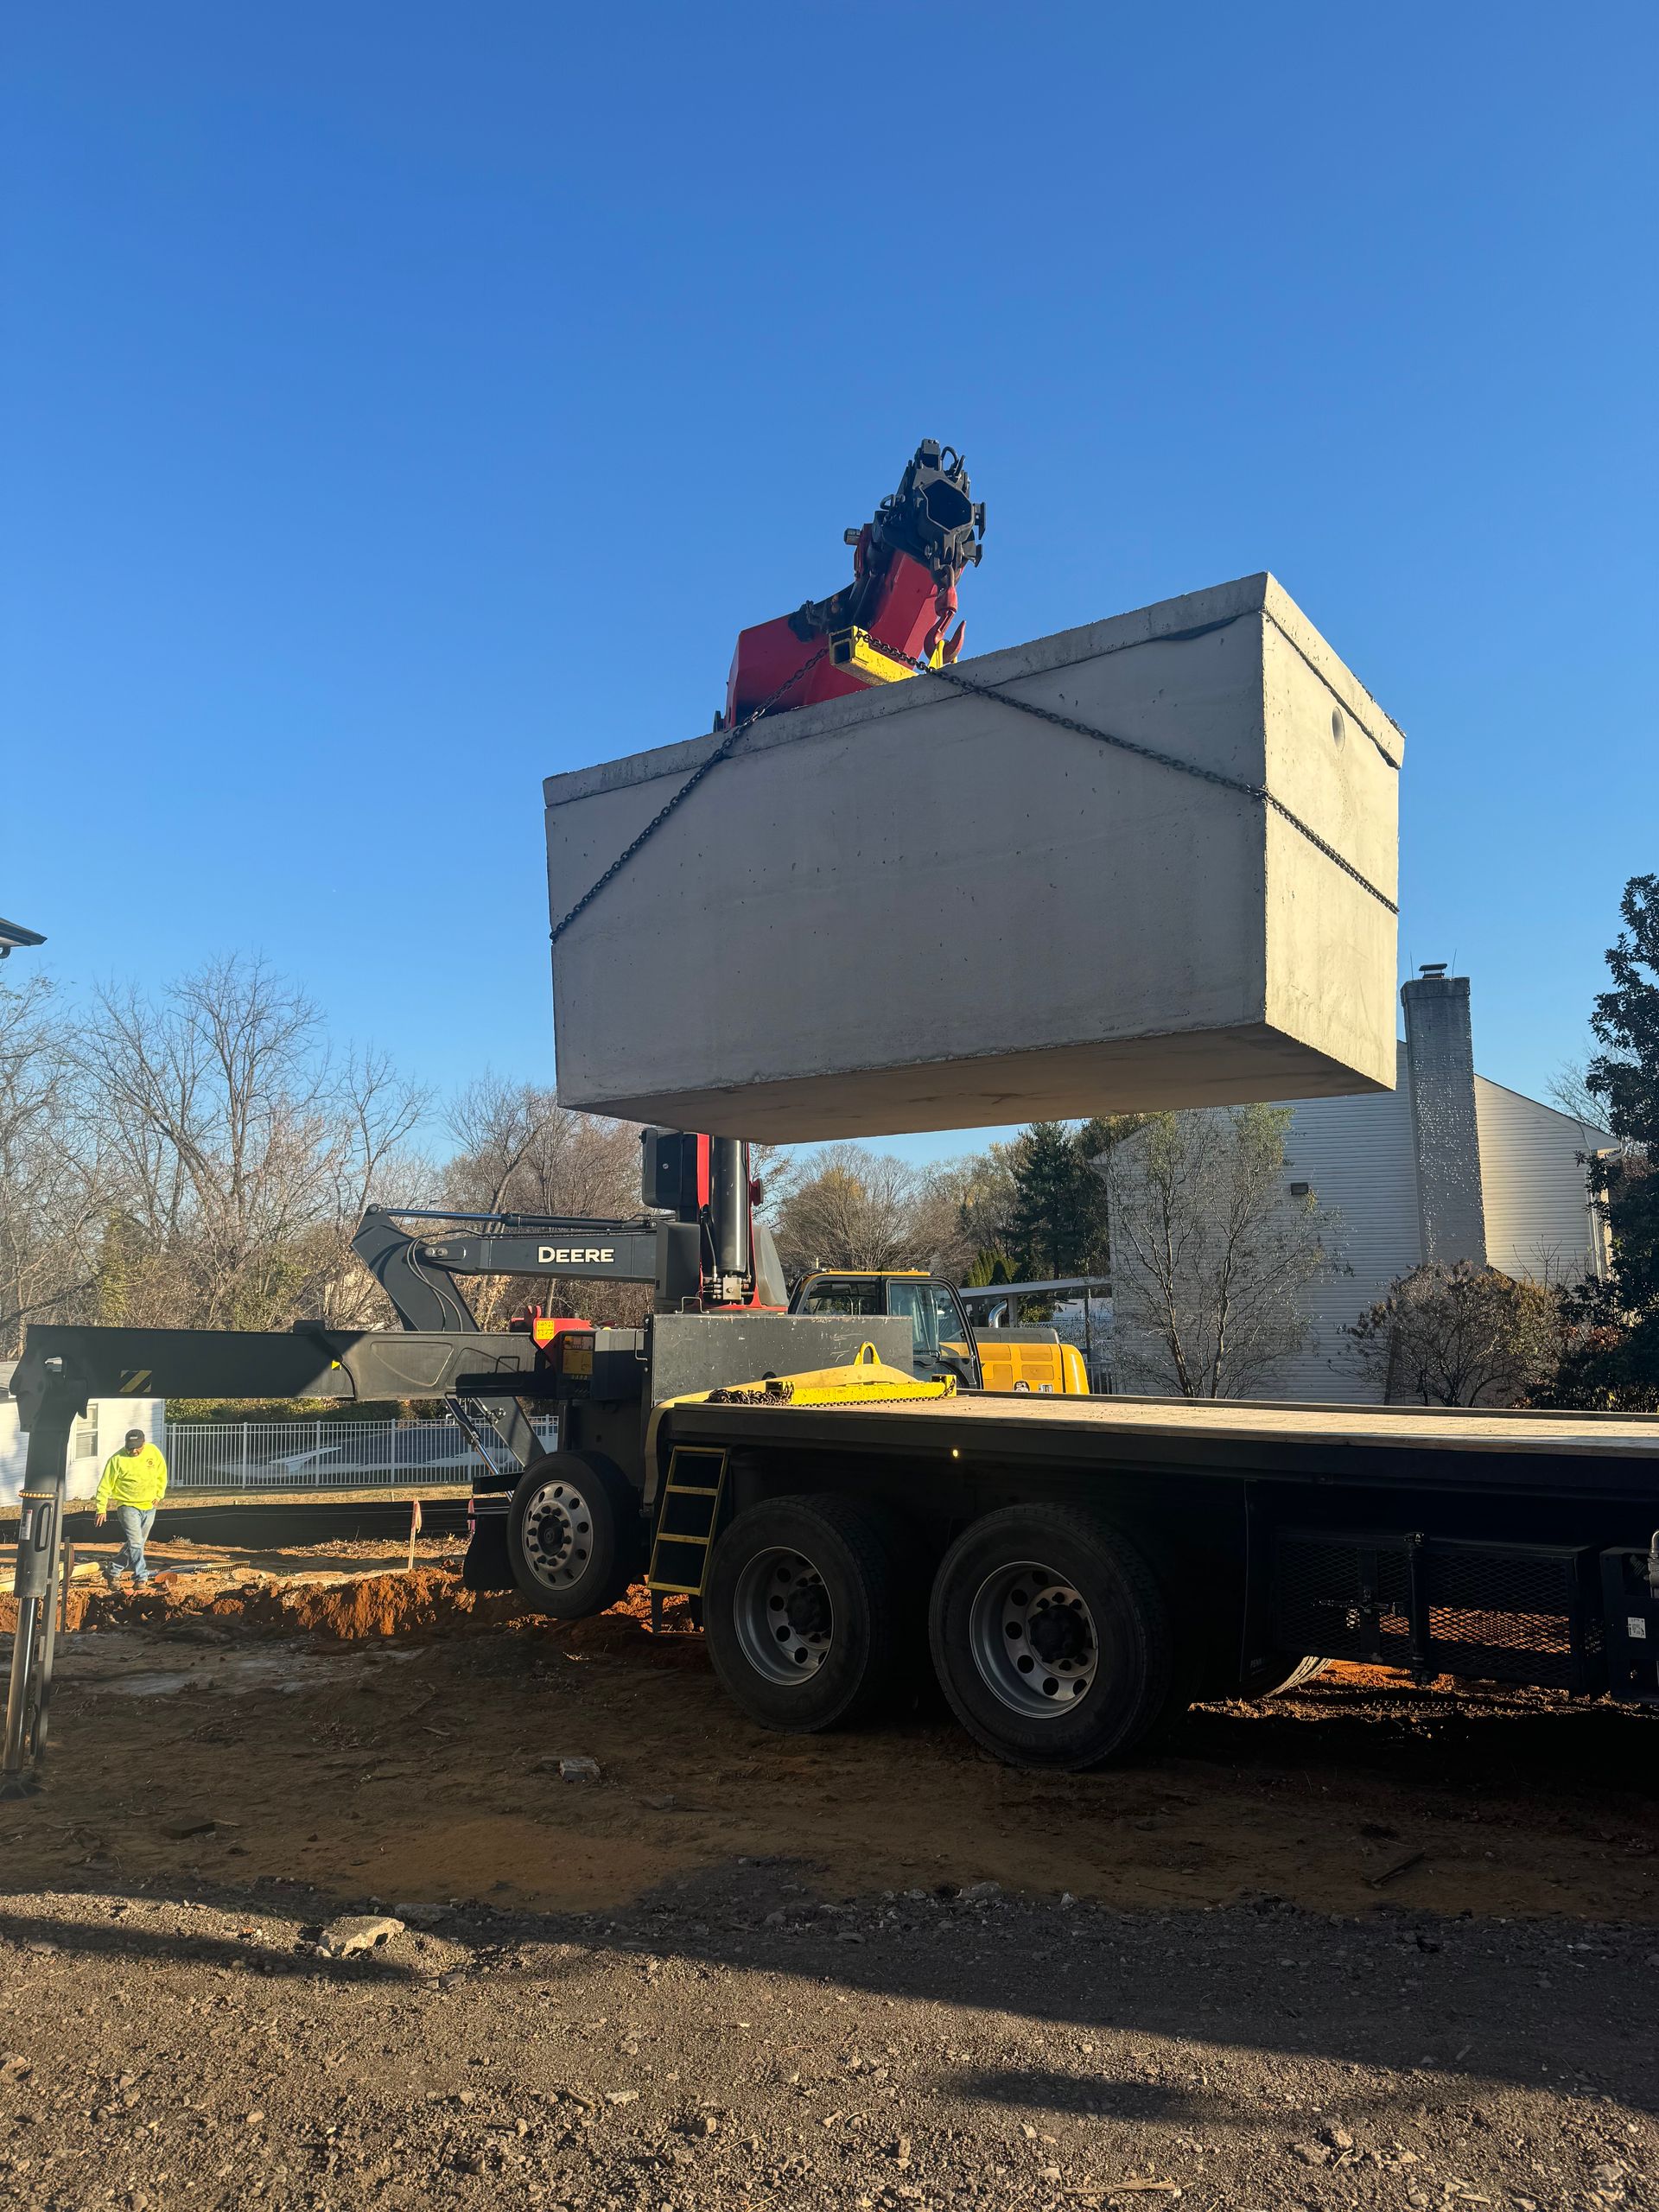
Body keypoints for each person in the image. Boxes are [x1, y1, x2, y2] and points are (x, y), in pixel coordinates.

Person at [94, 1427, 169, 1588]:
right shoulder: (117, 1460)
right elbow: (104, 1486)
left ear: (144, 1443)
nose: (134, 1451)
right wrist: (101, 1508)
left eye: (138, 1448)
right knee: (136, 1543)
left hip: (150, 1505)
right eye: (130, 1448)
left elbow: (161, 1474)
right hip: (127, 1506)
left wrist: (159, 1495)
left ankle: (112, 1571)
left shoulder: (153, 1452)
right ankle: (141, 1577)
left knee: (137, 1544)